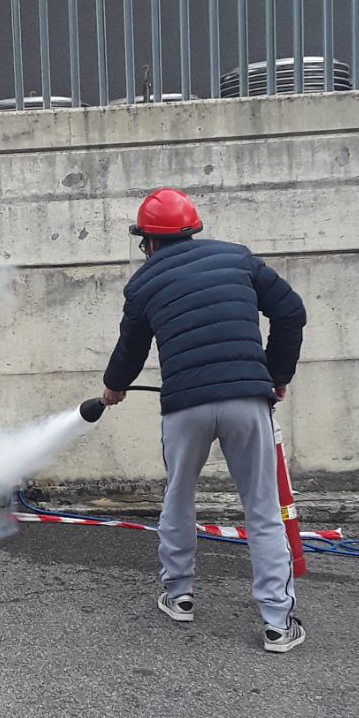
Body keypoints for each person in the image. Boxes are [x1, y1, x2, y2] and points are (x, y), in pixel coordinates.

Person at [101, 188, 308, 653]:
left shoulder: (142, 284)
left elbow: (130, 348)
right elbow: (291, 311)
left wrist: (113, 387)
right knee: (261, 508)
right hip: (246, 400)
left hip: (184, 407)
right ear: (192, 230)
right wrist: (277, 375)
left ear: (148, 241)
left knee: (178, 499)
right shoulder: (238, 259)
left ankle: (179, 596)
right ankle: (277, 623)